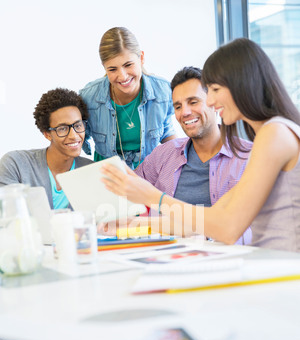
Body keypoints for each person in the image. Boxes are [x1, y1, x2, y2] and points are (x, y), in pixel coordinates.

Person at [101, 38, 300, 252]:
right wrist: (135, 225)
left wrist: (153, 196)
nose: (212, 101)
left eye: (214, 89)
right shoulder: (272, 134)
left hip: (284, 271)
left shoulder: (274, 134)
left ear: (242, 83)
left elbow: (228, 228)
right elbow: (213, 218)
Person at [134, 66, 252, 244]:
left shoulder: (249, 157)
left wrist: (203, 235)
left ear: (213, 102)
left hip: (225, 260)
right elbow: (129, 190)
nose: (185, 112)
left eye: (193, 101)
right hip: (165, 257)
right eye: (178, 106)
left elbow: (256, 226)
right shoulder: (164, 154)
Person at [79, 26, 176, 169]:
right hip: (107, 173)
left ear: (141, 58)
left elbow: (166, 132)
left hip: (150, 171)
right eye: (112, 69)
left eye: (128, 65)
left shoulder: (163, 91)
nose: (123, 76)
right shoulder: (88, 97)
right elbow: (76, 137)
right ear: (104, 67)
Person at [0, 88, 93, 209]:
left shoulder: (91, 171)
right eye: (62, 128)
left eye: (78, 125)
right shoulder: (16, 164)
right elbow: (7, 217)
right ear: (47, 134)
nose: (74, 135)